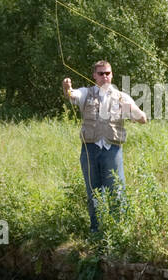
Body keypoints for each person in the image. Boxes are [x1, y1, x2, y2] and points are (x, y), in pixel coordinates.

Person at [63, 60, 148, 234]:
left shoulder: (122, 97)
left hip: (112, 151)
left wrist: (133, 110)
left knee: (116, 191)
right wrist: (66, 87)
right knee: (93, 193)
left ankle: (118, 231)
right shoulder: (86, 93)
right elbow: (71, 95)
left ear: (112, 75)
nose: (105, 77)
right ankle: (96, 231)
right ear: (94, 75)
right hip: (90, 150)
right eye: (101, 73)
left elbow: (143, 119)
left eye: (107, 73)